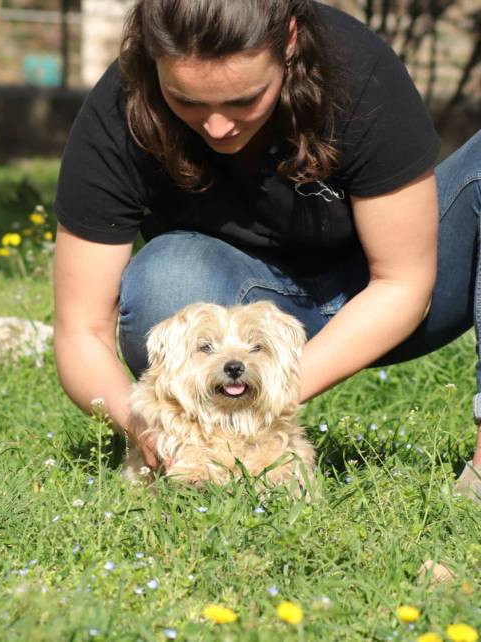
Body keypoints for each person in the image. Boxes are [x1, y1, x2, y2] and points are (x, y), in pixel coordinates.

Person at [53, 0, 481, 501]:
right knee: (165, 281)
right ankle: (206, 462)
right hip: (238, 310)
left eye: (243, 100)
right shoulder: (121, 106)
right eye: (187, 101)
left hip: (395, 300)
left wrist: (276, 387)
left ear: (291, 43)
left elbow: (404, 284)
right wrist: (145, 426)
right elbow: (81, 330)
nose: (216, 127)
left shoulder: (357, 72)